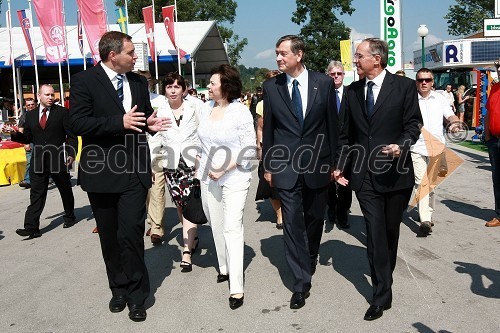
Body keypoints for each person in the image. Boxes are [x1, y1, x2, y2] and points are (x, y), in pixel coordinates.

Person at [68, 31, 170, 322]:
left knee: (132, 235)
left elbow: (143, 117)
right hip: (101, 172)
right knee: (110, 238)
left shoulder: (138, 82)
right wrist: (118, 122)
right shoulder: (84, 81)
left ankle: (138, 295)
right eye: (130, 53)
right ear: (113, 55)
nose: (135, 57)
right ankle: (119, 288)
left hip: (134, 172)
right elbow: (77, 122)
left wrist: (150, 124)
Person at [336, 38, 422, 321]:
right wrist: (339, 167)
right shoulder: (352, 91)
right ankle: (381, 295)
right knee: (374, 235)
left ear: (377, 58)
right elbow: (345, 135)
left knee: (389, 232)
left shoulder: (404, 87)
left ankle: (385, 273)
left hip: (396, 174)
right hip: (365, 176)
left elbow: (413, 124)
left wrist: (401, 144)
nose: (355, 61)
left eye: (359, 56)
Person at [262, 35, 338, 310]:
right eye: (277, 53)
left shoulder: (323, 83)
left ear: (299, 54)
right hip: (285, 166)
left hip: (318, 163)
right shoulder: (271, 87)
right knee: (292, 223)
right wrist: (268, 165)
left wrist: (336, 162)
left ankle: (311, 253)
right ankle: (300, 282)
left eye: (283, 53)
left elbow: (333, 125)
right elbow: (269, 129)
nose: (279, 58)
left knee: (315, 218)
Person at [197, 64, 256, 310]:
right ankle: (224, 266)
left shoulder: (239, 112)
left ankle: (237, 287)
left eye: (212, 83)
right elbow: (200, 141)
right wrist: (200, 160)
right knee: (215, 222)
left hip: (235, 176)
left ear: (226, 86)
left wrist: (224, 168)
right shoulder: (205, 109)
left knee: (232, 227)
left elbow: (249, 148)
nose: (208, 86)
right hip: (208, 176)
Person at [11, 84, 78, 238]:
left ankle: (69, 216)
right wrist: (15, 135)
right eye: (47, 95)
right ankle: (31, 227)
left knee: (65, 189)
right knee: (36, 194)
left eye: (52, 95)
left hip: (57, 159)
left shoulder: (62, 112)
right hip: (38, 160)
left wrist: (71, 153)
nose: (50, 97)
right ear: (39, 96)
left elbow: (71, 136)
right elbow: (27, 137)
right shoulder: (31, 115)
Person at [157, 72, 201, 270]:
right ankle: (192, 237)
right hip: (172, 165)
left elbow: (204, 133)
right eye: (169, 87)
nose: (173, 90)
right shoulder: (160, 111)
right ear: (164, 90)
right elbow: (155, 139)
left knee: (190, 203)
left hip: (193, 164)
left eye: (177, 86)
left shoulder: (195, 107)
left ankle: (186, 251)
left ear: (184, 89)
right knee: (180, 205)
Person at [411, 68, 459, 235]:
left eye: (428, 80)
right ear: (416, 82)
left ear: (432, 82)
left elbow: (451, 116)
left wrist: (455, 123)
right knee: (421, 182)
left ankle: (428, 215)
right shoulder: (410, 99)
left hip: (436, 148)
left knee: (430, 185)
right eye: (420, 80)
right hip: (416, 147)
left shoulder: (440, 99)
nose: (424, 82)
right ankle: (424, 219)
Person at [326, 60, 352, 229]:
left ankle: (343, 214)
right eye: (333, 74)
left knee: (345, 183)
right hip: (328, 145)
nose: (336, 77)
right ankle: (331, 209)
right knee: (328, 181)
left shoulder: (352, 93)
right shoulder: (322, 94)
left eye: (339, 73)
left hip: (348, 145)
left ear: (344, 75)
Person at [255, 70, 282, 229]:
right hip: (269, 146)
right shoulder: (261, 104)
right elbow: (260, 127)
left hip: (287, 147)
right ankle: (279, 212)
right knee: (268, 182)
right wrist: (259, 146)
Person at [484, 60, 500, 228]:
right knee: (497, 179)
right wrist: (488, 136)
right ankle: (499, 214)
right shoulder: (495, 88)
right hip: (494, 140)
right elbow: (489, 112)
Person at [18, 97, 37, 189]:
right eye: (28, 105)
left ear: (35, 104)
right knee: (30, 161)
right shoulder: (24, 116)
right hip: (30, 142)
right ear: (26, 106)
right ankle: (27, 180)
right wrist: (25, 143)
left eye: (32, 104)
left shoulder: (41, 114)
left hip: (43, 142)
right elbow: (20, 131)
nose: (30, 106)